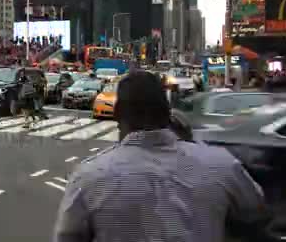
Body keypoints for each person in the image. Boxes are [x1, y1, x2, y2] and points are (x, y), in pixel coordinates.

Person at [53, 71, 267, 242]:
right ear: (168, 112)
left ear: (117, 113)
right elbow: (257, 212)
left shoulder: (89, 177)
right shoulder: (221, 165)